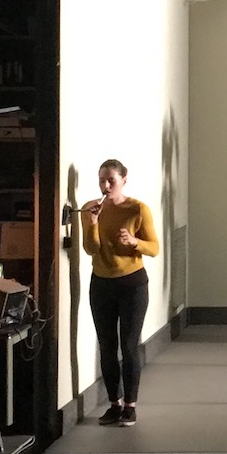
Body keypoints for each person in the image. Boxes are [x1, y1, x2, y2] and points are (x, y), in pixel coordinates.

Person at [80, 158, 159, 426]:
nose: (105, 186)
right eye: (101, 180)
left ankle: (130, 406)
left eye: (111, 180)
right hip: (101, 283)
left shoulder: (137, 208)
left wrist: (134, 241)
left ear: (124, 180)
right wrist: (92, 222)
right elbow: (90, 248)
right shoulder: (91, 208)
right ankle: (114, 404)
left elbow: (154, 248)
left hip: (132, 283)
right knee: (107, 345)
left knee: (128, 344)